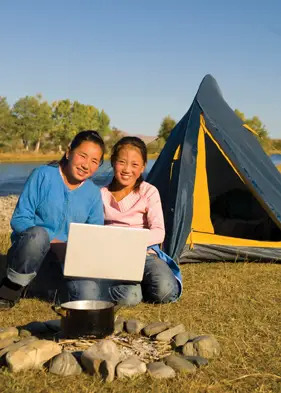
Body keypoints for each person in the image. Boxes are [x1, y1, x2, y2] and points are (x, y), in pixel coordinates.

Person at [0, 130, 105, 309]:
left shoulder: (93, 193)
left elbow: (94, 235)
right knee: (38, 235)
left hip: (65, 263)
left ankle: (36, 288)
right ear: (68, 152)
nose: (86, 165)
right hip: (29, 255)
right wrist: (52, 241)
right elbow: (20, 219)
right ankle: (12, 287)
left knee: (89, 294)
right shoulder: (42, 175)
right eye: (82, 156)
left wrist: (73, 251)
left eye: (94, 161)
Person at [97, 136, 182, 305]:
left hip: (144, 253)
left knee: (166, 291)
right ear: (113, 162)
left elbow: (159, 232)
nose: (127, 169)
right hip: (114, 255)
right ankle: (126, 286)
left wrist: (131, 241)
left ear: (143, 167)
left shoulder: (149, 192)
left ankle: (141, 280)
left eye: (135, 165)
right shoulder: (100, 194)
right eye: (122, 162)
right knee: (129, 297)